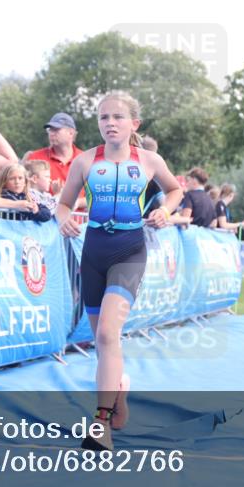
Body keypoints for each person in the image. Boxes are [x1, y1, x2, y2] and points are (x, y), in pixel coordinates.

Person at [56, 91, 182, 452]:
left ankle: (100, 423)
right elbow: (64, 204)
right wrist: (64, 220)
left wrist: (166, 211)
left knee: (109, 335)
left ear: (134, 125)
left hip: (129, 252)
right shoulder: (84, 161)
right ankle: (118, 389)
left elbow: (175, 191)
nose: (110, 123)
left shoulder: (150, 160)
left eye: (118, 117)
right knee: (102, 342)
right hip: (93, 254)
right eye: (103, 117)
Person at [25, 112, 83, 196]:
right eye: (50, 130)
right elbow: (23, 191)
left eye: (56, 129)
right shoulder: (35, 158)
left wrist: (77, 203)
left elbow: (99, 197)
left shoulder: (86, 160)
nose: (51, 133)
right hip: (44, 208)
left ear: (71, 133)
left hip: (80, 209)